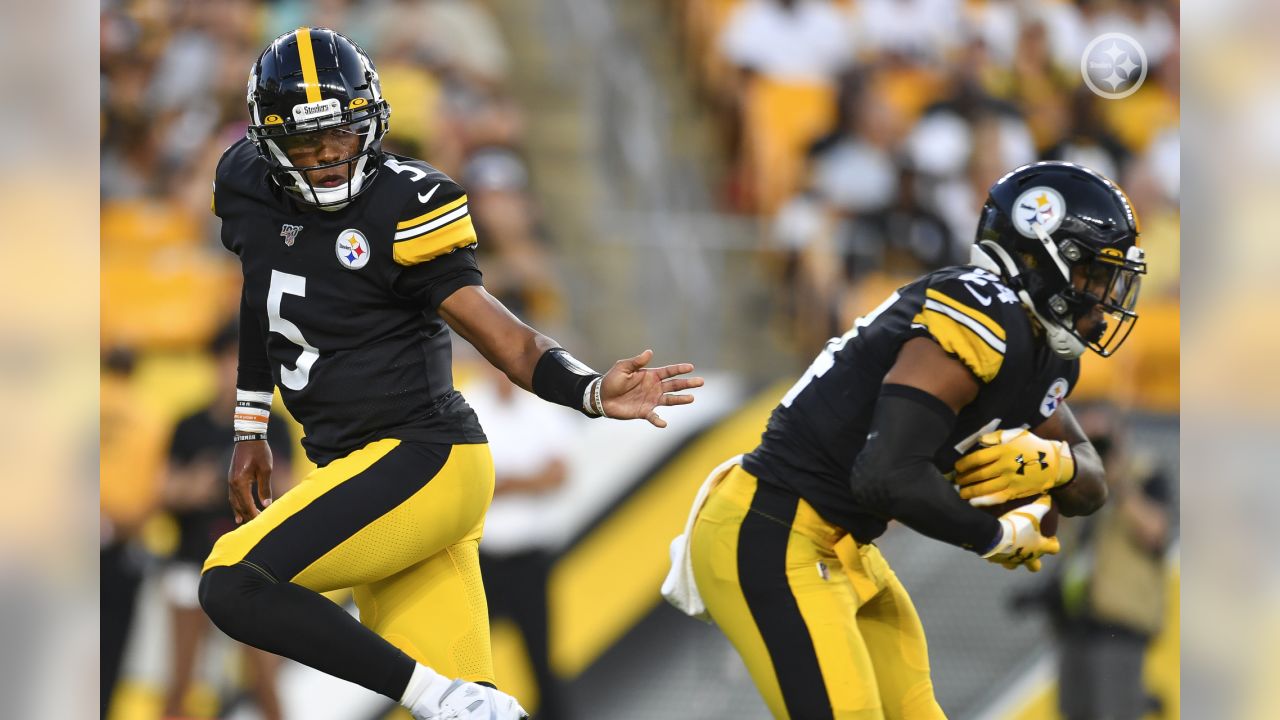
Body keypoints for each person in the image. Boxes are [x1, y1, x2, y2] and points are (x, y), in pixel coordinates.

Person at [196, 28, 702, 720]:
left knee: (232, 581)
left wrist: (585, 388)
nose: (329, 157)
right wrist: (251, 424)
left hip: (423, 459)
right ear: (268, 146)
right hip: (361, 471)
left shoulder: (406, 203)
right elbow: (261, 296)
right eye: (309, 147)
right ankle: (455, 699)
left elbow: (506, 338)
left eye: (342, 136)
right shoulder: (246, 185)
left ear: (370, 121)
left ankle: (441, 696)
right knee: (470, 712)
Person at [671, 161, 1146, 718]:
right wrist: (992, 534)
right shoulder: (981, 312)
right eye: (1092, 274)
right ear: (1043, 255)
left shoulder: (1044, 352)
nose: (1104, 296)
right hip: (774, 526)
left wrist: (1057, 466)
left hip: (840, 541)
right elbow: (884, 474)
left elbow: (1088, 480)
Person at [161, 321, 293, 720]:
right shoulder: (188, 424)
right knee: (181, 680)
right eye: (228, 362)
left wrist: (245, 483)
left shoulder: (274, 425)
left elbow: (289, 489)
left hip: (252, 566)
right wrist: (193, 485)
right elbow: (163, 490)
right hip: (193, 559)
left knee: (264, 679)